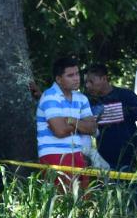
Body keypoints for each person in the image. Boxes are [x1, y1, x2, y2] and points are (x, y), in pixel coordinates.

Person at [85, 63, 137, 209]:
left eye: (91, 81)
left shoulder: (125, 96)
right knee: (113, 209)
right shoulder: (88, 102)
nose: (88, 86)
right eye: (86, 82)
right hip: (105, 164)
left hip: (131, 162)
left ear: (104, 78)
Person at [36, 57, 98, 189]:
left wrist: (72, 120)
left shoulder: (82, 98)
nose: (76, 78)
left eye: (77, 74)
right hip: (54, 154)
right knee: (63, 202)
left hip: (77, 153)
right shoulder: (49, 96)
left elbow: (92, 128)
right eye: (70, 75)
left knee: (83, 200)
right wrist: (82, 124)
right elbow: (59, 131)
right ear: (58, 79)